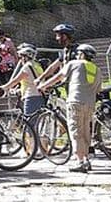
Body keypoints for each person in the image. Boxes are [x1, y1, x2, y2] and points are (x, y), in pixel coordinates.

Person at [37, 44, 102, 173]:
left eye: (78, 53)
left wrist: (43, 86)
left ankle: (80, 162)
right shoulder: (97, 69)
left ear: (82, 54)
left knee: (75, 132)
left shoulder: (74, 64)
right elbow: (98, 89)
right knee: (85, 132)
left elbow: (59, 76)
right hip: (90, 104)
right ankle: (86, 159)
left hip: (75, 101)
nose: (77, 55)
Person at [0, 43, 45, 116]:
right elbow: (30, 81)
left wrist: (2, 87)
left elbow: (15, 80)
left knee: (29, 124)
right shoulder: (37, 65)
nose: (21, 59)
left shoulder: (27, 67)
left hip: (31, 97)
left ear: (25, 56)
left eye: (21, 56)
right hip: (40, 97)